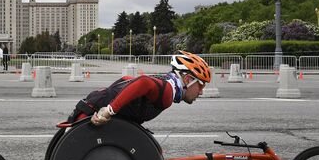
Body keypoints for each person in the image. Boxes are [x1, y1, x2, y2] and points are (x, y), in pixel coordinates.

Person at [65, 51, 211, 127]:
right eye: (201, 85)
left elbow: (126, 80)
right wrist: (109, 110)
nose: (201, 91)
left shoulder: (165, 82)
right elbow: (143, 82)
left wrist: (110, 98)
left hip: (90, 105)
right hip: (89, 115)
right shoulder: (168, 91)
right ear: (187, 79)